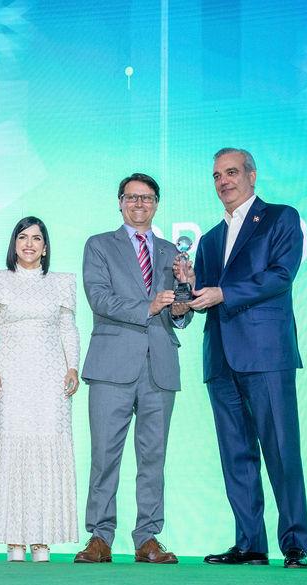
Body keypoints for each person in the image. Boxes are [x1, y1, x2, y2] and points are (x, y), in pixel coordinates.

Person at [183, 148, 307, 569]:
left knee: (281, 450)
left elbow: (281, 275)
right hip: (220, 358)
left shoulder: (280, 218)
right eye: (217, 174)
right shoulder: (210, 238)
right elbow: (202, 295)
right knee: (236, 455)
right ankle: (250, 544)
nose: (224, 181)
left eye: (232, 172)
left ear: (252, 176)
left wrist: (223, 293)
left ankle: (294, 544)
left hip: (266, 354)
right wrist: (188, 286)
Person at [74, 173, 193, 564]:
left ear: (156, 204)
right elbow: (99, 298)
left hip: (159, 365)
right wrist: (149, 307)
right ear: (120, 202)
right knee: (105, 455)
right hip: (112, 365)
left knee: (153, 457)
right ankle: (99, 536)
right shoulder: (99, 246)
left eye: (147, 198)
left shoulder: (169, 251)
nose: (139, 204)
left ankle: (147, 538)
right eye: (131, 197)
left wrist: (183, 298)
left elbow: (179, 313)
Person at [0, 216, 81, 562]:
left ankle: (42, 539)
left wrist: (72, 367)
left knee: (46, 449)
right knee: (12, 448)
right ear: (14, 244)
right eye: (23, 237)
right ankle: (13, 540)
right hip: (10, 378)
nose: (30, 244)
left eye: (37, 238)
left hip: (50, 379)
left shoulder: (62, 283)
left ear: (46, 247)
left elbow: (69, 329)